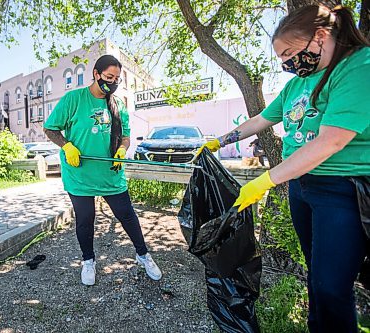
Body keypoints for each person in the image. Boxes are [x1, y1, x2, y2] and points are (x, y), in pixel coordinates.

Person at [196, 4, 369, 333]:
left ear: (320, 36)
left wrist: (264, 182)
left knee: (333, 285)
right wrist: (218, 141)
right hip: (303, 188)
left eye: (289, 53)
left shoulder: (358, 67)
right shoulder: (295, 87)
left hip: (343, 190)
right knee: (317, 275)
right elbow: (261, 120)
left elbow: (331, 142)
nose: (287, 64)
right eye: (281, 59)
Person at [43, 55, 162, 286]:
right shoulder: (74, 99)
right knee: (85, 219)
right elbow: (50, 128)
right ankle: (88, 261)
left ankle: (143, 255)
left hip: (110, 172)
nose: (113, 82)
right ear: (96, 74)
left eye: (117, 79)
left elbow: (125, 137)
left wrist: (121, 150)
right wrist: (67, 146)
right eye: (109, 77)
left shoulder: (118, 105)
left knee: (127, 215)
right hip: (80, 173)